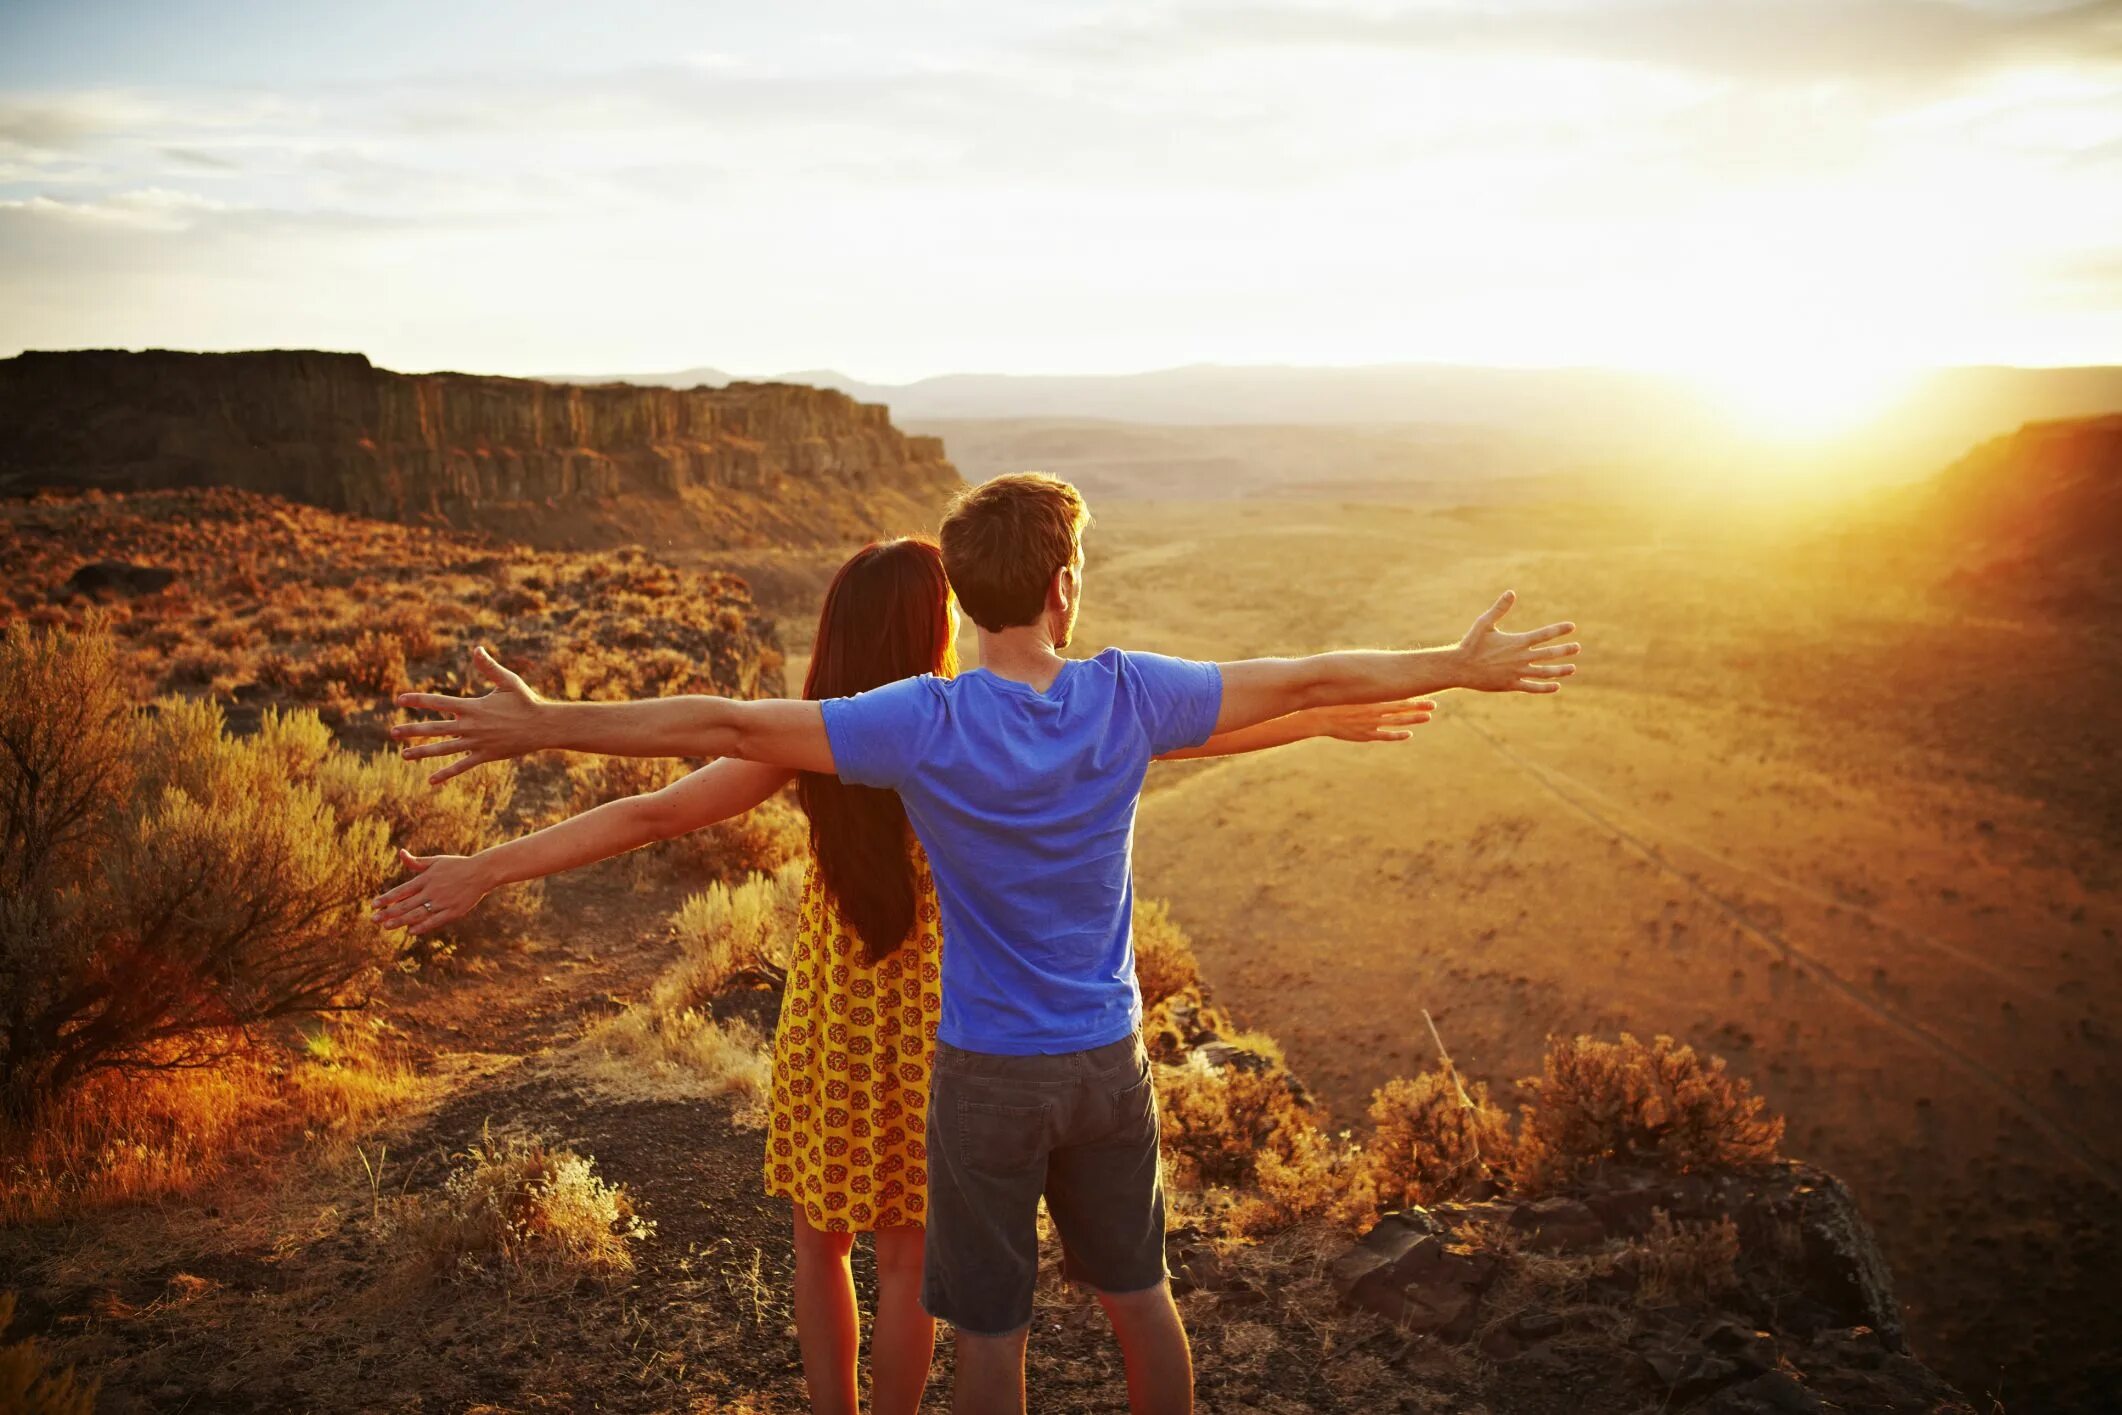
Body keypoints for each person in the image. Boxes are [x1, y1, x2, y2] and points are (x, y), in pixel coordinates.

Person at [388, 475, 1578, 1415]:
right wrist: (1401, 687)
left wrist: (519, 789)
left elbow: (685, 765)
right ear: (1038, 594)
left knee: (893, 1280)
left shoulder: (881, 732)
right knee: (1068, 1288)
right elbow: (1241, 704)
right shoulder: (1069, 703)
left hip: (923, 1045)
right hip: (1037, 1043)